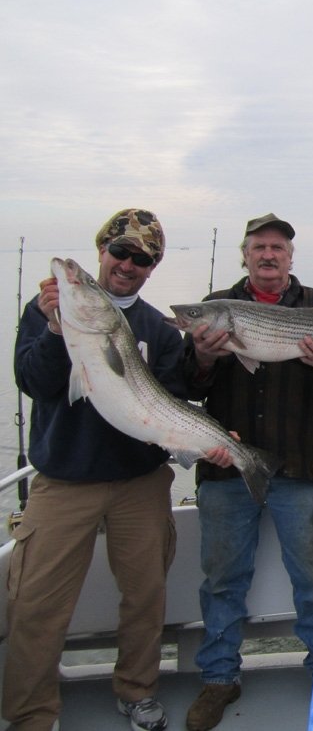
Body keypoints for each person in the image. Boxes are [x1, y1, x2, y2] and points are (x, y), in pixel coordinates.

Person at [181, 213, 313, 731]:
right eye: (259, 247)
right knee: (222, 581)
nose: (268, 255)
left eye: (277, 248)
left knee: (311, 579)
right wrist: (201, 353)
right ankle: (218, 678)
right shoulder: (217, 308)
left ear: (289, 257)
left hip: (304, 466)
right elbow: (189, 385)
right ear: (245, 254)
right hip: (227, 471)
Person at [4, 209, 181, 731]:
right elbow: (33, 382)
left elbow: (172, 401)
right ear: (102, 250)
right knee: (36, 604)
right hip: (63, 482)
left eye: (142, 259)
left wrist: (204, 439)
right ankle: (32, 714)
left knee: (145, 597)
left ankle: (138, 690)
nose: (128, 264)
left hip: (141, 483)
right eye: (120, 251)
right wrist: (58, 329)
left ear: (152, 267)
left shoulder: (158, 330)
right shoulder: (47, 311)